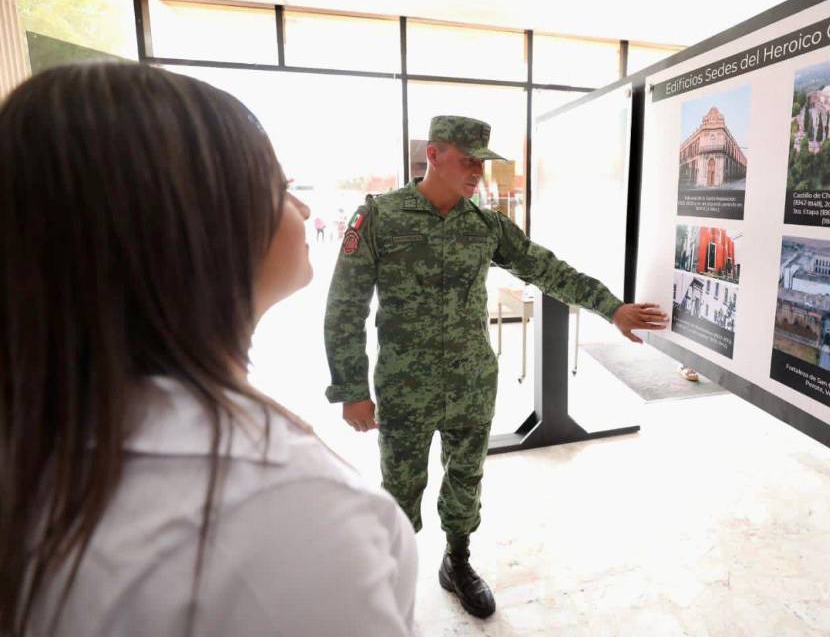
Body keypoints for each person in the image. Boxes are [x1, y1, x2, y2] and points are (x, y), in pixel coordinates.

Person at [0, 63, 418, 637]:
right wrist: (352, 389)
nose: (299, 211)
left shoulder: (46, 430)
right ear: (196, 228)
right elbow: (346, 309)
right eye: (279, 188)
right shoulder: (281, 517)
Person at [324, 115, 668, 618]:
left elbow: (546, 267)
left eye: (482, 164)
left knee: (466, 477)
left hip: (471, 382)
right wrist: (350, 388)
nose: (476, 174)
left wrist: (611, 307)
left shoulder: (484, 225)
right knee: (400, 487)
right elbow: (344, 306)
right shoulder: (379, 217)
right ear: (434, 155)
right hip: (404, 387)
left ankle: (457, 563)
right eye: (467, 161)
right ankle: (391, 578)